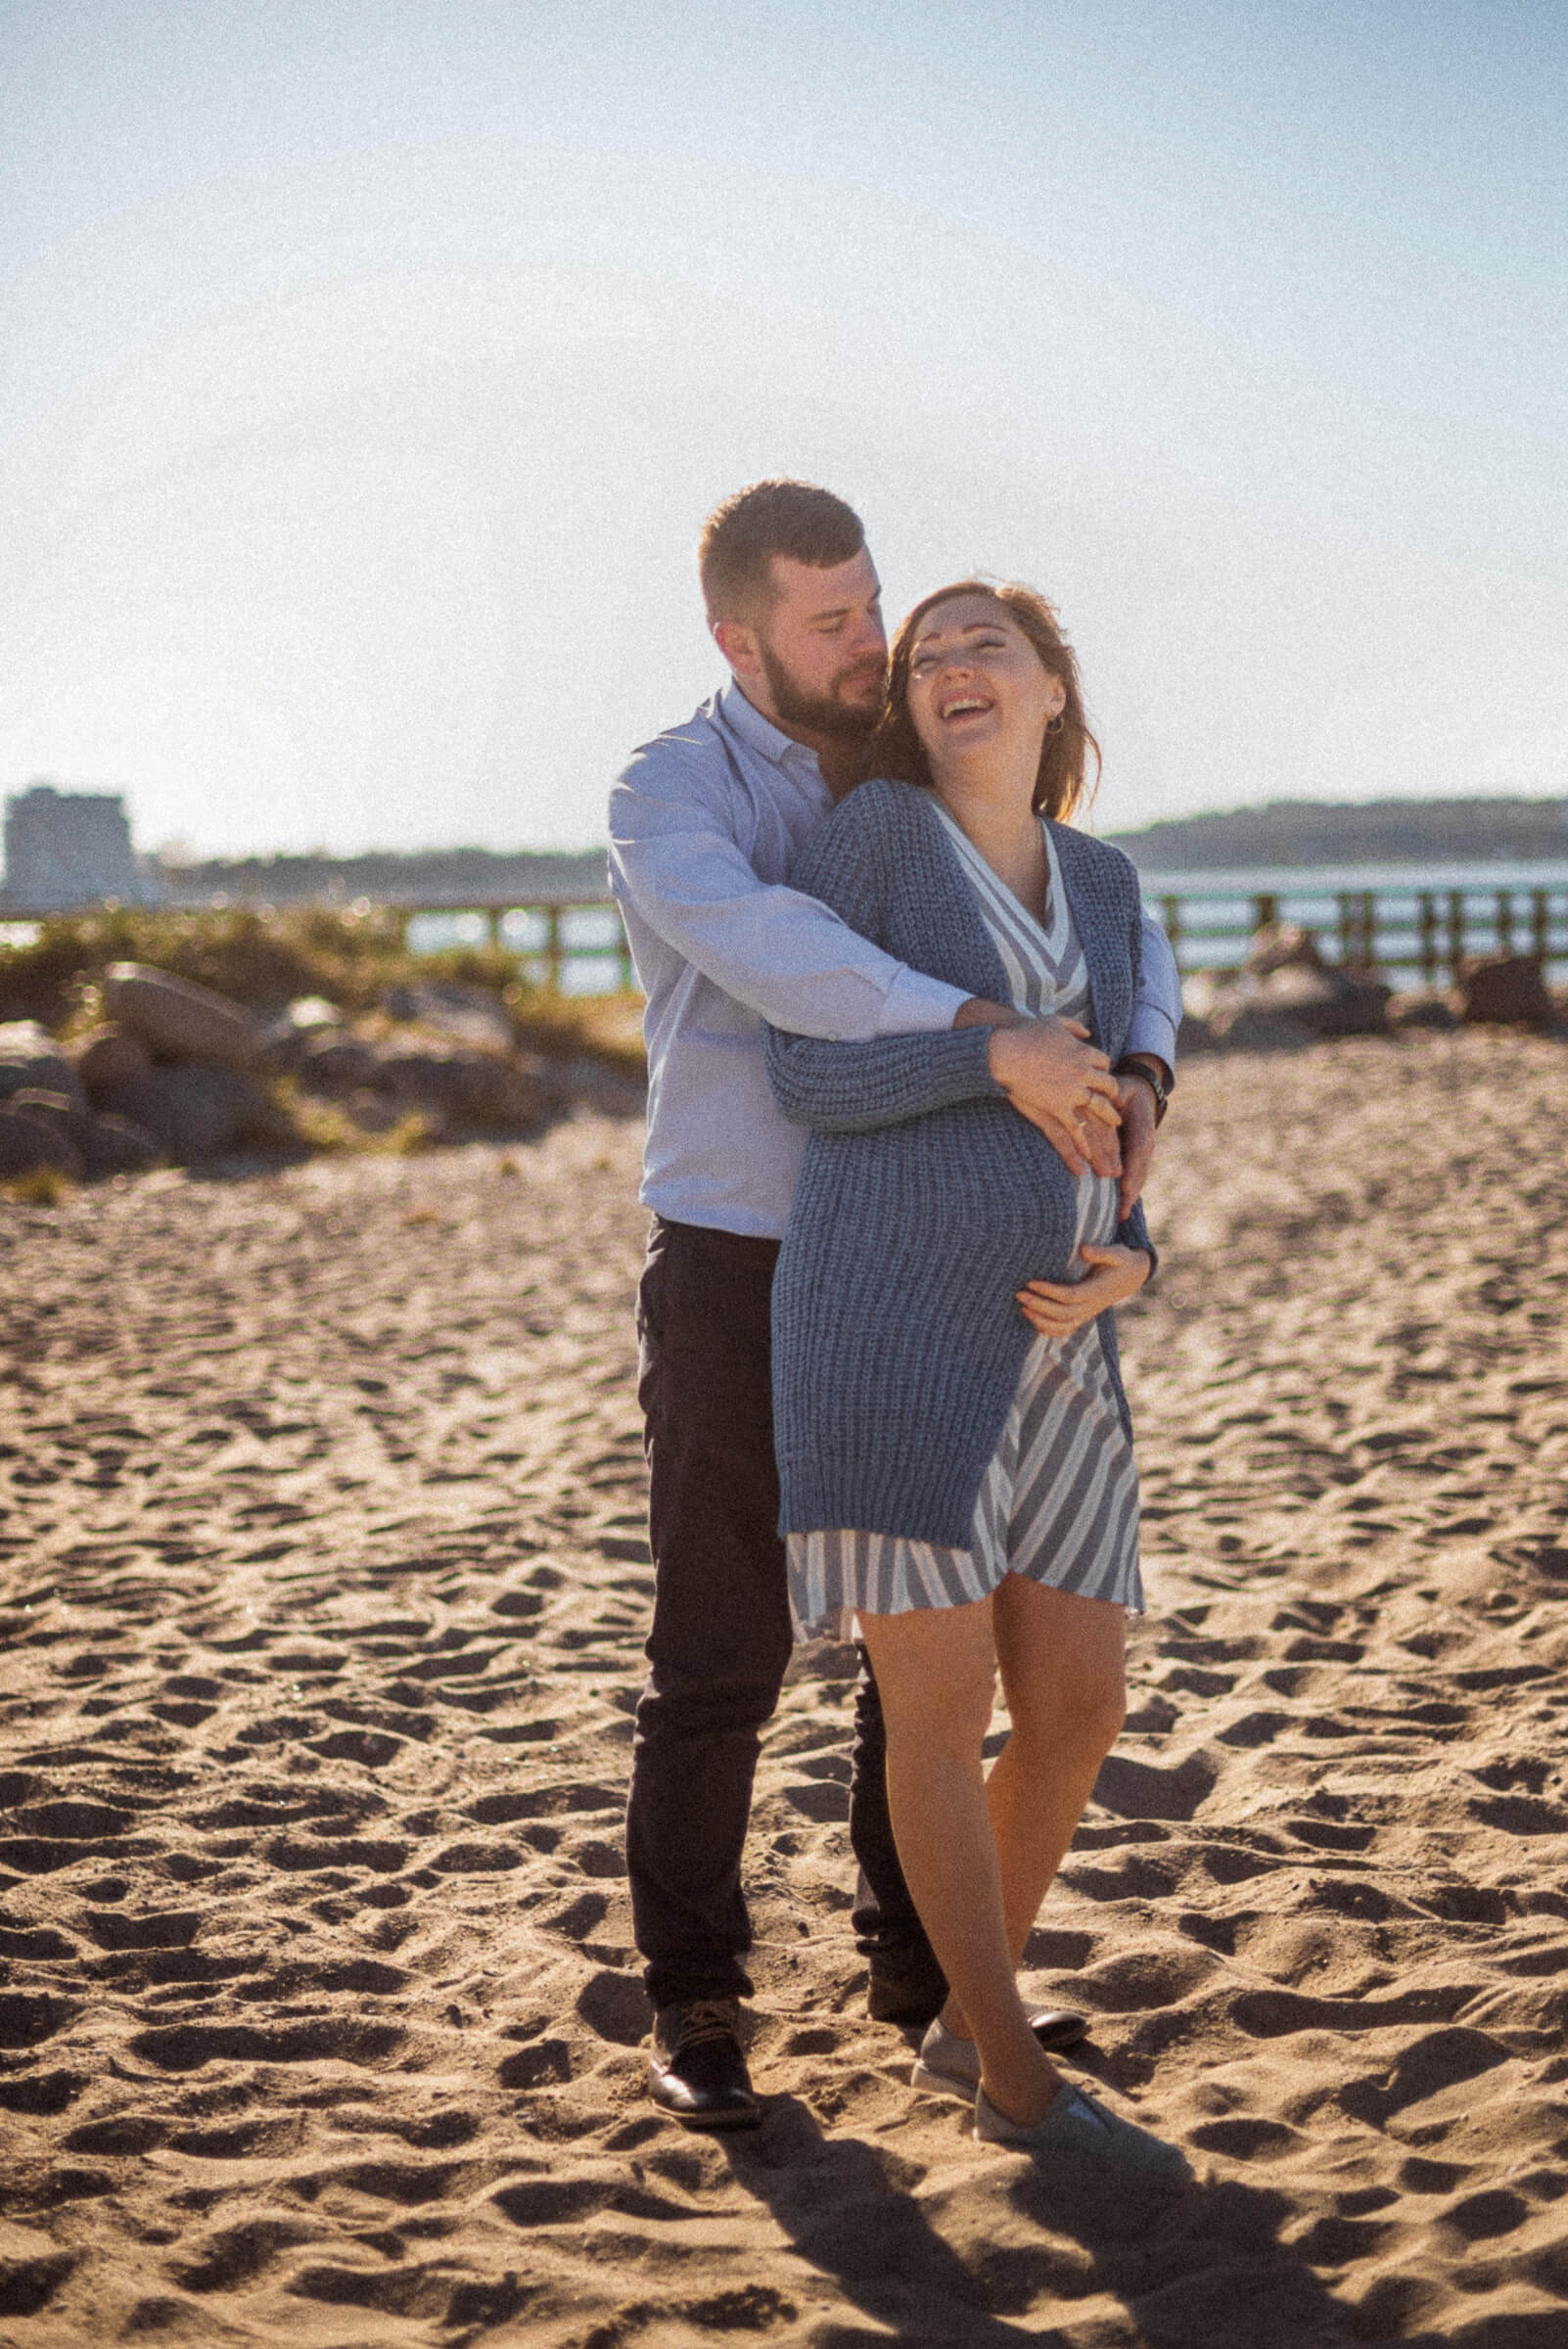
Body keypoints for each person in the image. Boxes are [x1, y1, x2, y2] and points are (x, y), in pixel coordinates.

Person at [608, 483, 1181, 2131]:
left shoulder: (896, 759)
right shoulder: (673, 796)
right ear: (741, 639)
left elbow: (1105, 931)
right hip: (740, 1253)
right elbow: (785, 962)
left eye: (879, 613)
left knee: (912, 1671)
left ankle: (925, 1978)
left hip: (932, 1256)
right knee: (719, 1652)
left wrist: (1134, 1075)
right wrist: (989, 1034)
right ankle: (699, 2001)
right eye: (836, 624)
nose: (872, 649)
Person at [764, 578, 1189, 2177]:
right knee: (935, 1714)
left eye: (982, 644)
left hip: (1070, 1348)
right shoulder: (872, 840)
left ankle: (962, 2016)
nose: (949, 664)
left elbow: (1121, 1106)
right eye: (926, 651)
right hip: (886, 1331)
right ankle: (1006, 2073)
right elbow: (808, 1065)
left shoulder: (1102, 874)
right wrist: (989, 1046)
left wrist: (1138, 1255)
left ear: (1053, 690)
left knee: (1081, 1704)